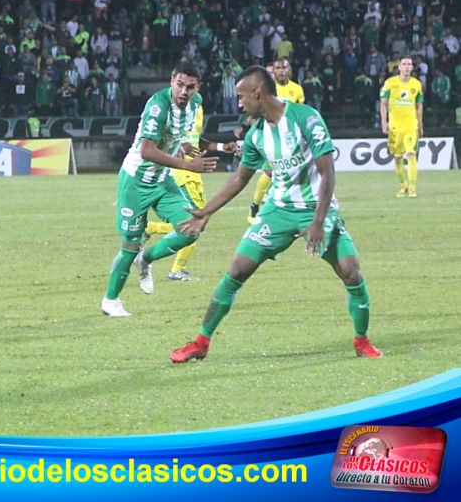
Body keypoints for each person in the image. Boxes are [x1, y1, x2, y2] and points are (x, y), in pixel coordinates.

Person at [170, 65, 382, 363]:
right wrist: (206, 212)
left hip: (316, 209)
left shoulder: (305, 118)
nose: (240, 103)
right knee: (236, 270)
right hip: (277, 210)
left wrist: (318, 221)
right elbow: (239, 179)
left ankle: (362, 341)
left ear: (258, 93)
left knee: (351, 271)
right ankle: (201, 342)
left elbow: (327, 172)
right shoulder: (257, 134)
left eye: (242, 97)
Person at [102, 60, 219, 317]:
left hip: (162, 180)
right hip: (136, 182)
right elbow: (147, 150)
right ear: (171, 81)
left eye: (190, 87)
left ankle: (146, 260)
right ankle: (110, 301)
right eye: (180, 85)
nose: (184, 92)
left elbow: (179, 139)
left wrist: (216, 148)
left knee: (193, 226)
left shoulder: (195, 105)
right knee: (129, 246)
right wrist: (188, 166)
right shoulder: (158, 106)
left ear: (198, 87)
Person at [144, 103, 240, 281]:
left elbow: (196, 141)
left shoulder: (198, 108)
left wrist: (221, 147)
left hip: (195, 173)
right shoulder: (171, 108)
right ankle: (176, 270)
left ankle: (151, 228)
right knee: (196, 221)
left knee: (198, 221)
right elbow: (158, 138)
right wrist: (179, 145)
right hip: (181, 172)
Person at [248, 58, 305, 224]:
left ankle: (275, 202)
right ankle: (255, 204)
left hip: (291, 136)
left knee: (287, 170)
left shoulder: (297, 89)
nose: (281, 71)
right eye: (278, 68)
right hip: (271, 133)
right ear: (273, 70)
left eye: (284, 68)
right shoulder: (269, 88)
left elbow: (300, 111)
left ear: (289, 69)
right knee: (269, 171)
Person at [380, 55, 424, 198]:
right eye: (404, 64)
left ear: (412, 67)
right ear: (399, 67)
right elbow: (383, 103)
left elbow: (419, 106)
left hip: (411, 126)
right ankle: (403, 184)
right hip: (395, 127)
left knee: (411, 154)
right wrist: (384, 122)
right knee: (398, 157)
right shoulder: (389, 83)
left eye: (409, 64)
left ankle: (412, 187)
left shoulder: (416, 84)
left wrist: (420, 124)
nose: (406, 67)